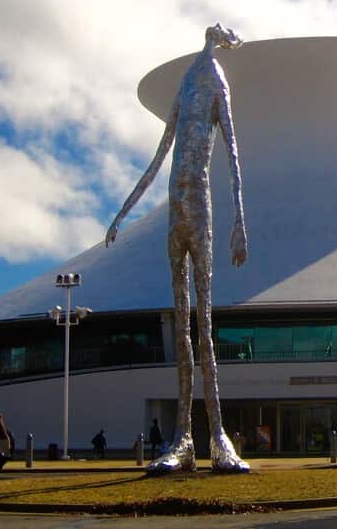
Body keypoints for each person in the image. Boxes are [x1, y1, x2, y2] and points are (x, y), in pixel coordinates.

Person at [106, 24, 250, 474]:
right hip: (176, 211)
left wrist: (240, 223)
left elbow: (233, 152)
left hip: (202, 210)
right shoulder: (188, 81)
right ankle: (182, 439)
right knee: (183, 332)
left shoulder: (215, 82)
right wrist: (122, 213)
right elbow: (159, 155)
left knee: (204, 325)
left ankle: (219, 438)